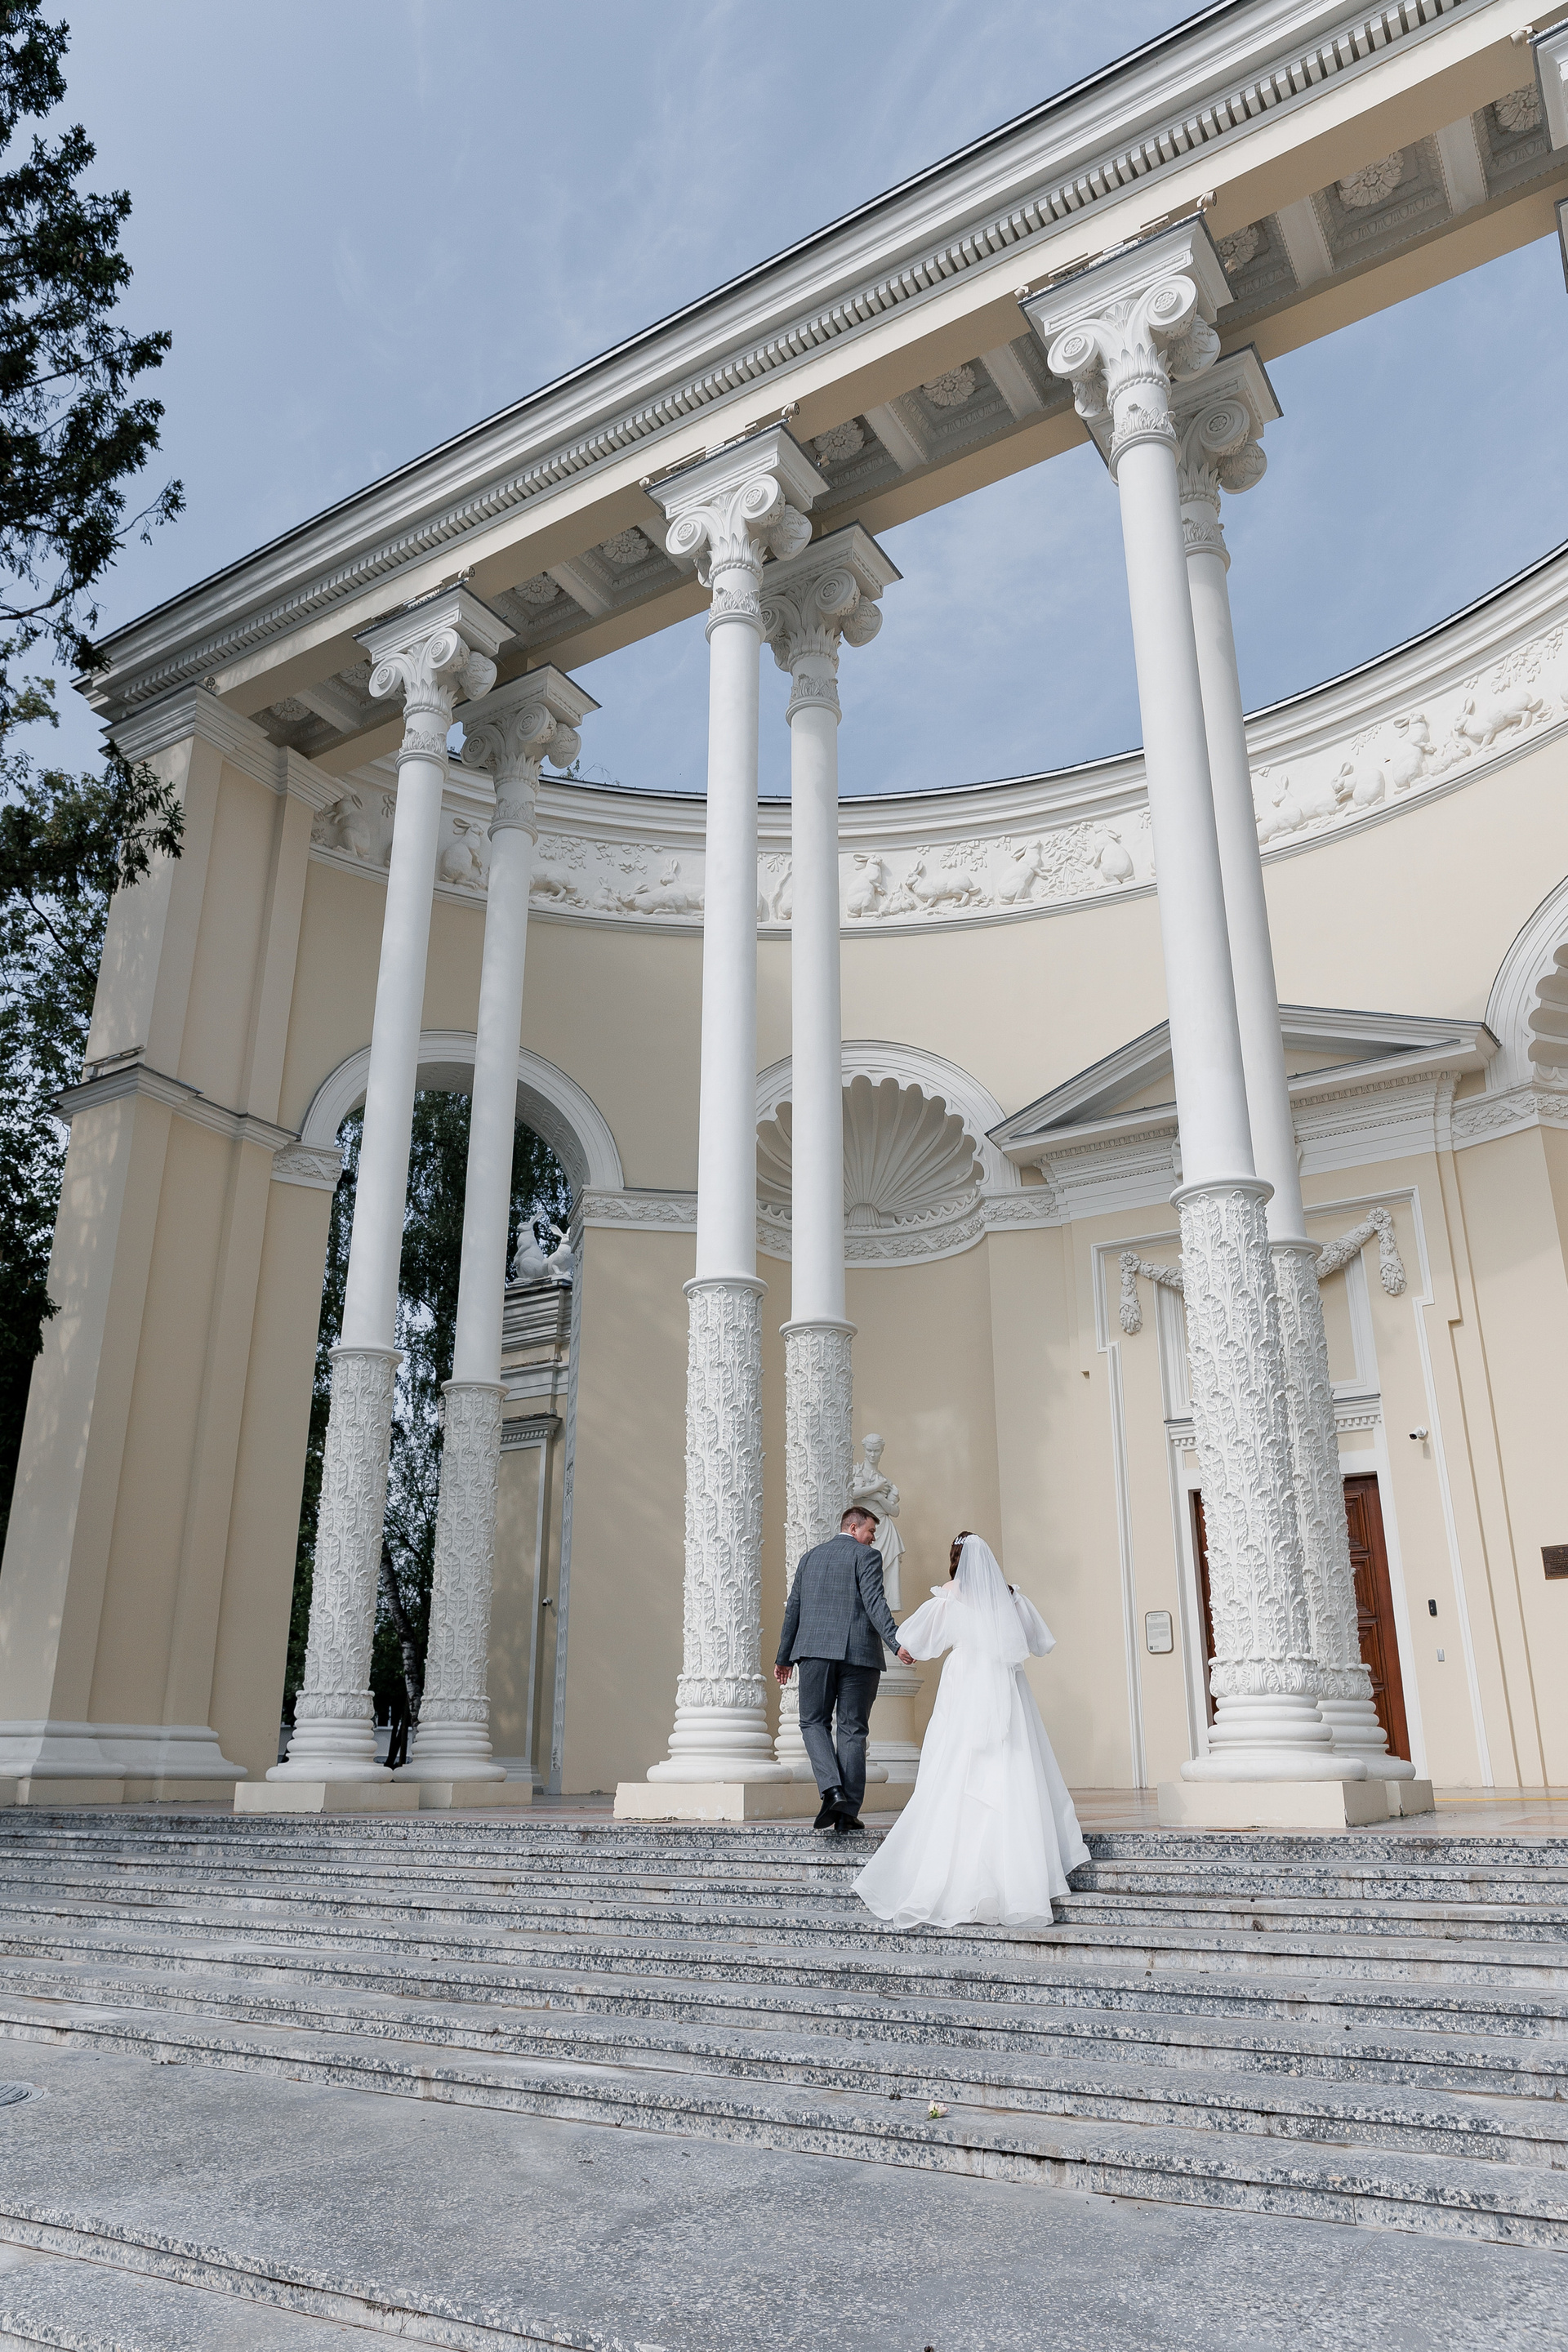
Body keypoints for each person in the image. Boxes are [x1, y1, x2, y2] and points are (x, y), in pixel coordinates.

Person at [853, 1531, 1089, 1927]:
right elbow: (1038, 1641)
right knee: (1011, 1760)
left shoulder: (951, 1595)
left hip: (965, 1683)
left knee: (957, 1761)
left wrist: (905, 1648)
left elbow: (916, 1641)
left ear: (955, 1559)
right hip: (1006, 1683)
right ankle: (1020, 1876)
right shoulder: (1011, 1597)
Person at [775, 1507, 915, 1833]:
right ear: (853, 1528)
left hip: (814, 1653)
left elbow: (793, 1608)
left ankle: (832, 1790)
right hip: (859, 1656)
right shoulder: (867, 1557)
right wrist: (896, 1642)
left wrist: (784, 1657)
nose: (873, 1539)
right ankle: (846, 1813)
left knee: (813, 1722)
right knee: (853, 1729)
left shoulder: (809, 1559)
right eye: (871, 1532)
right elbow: (875, 1602)